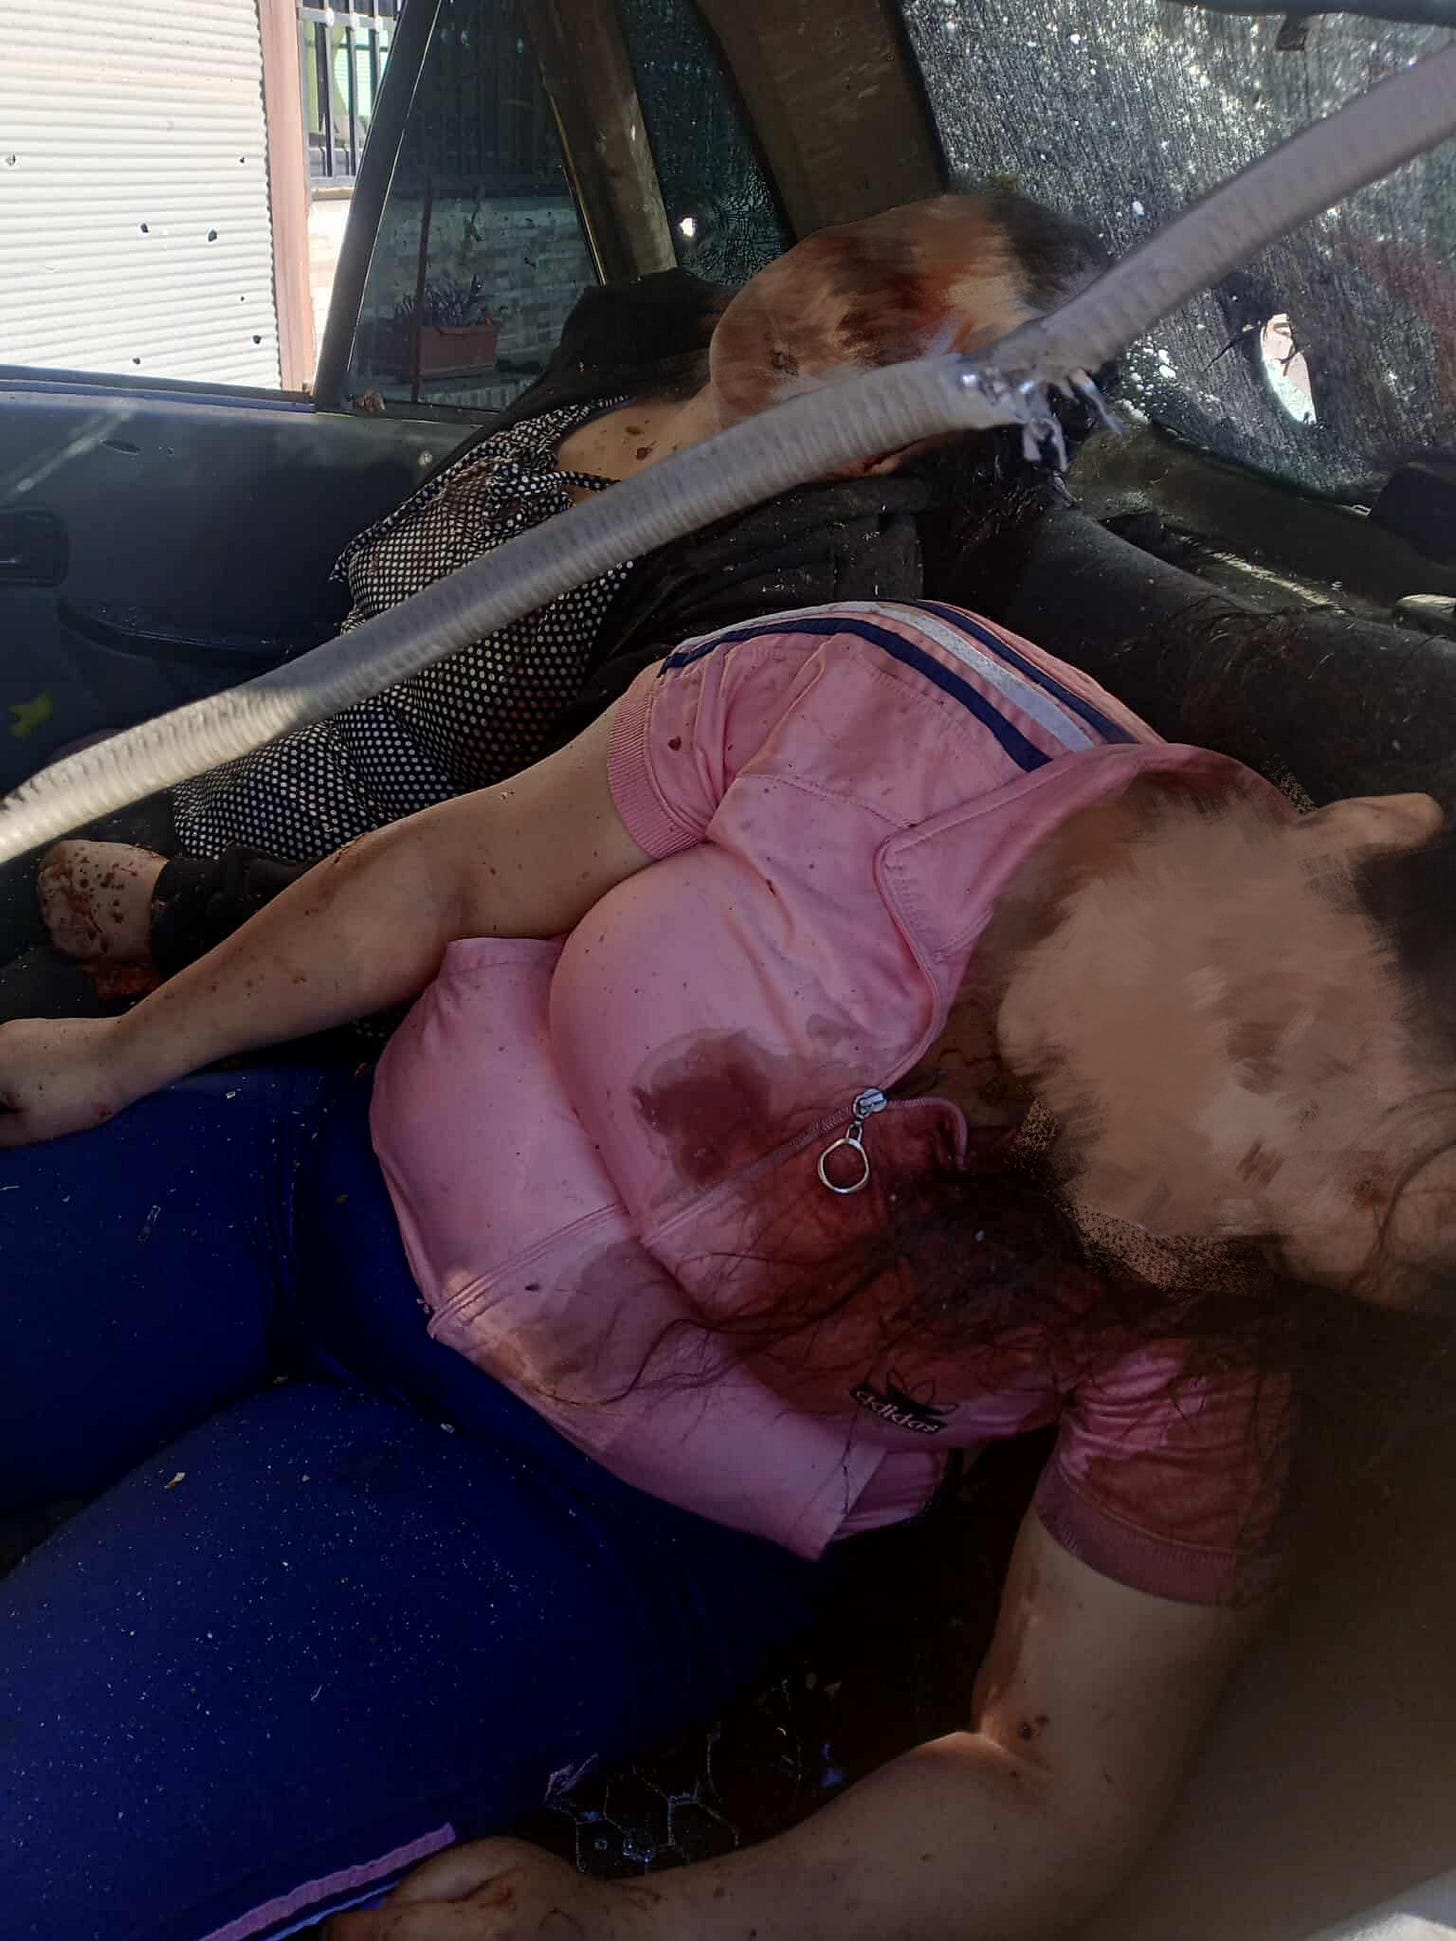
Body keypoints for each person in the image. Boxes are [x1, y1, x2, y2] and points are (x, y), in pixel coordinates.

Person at [3, 596, 1453, 1941]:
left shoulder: (1225, 1333)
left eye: (1324, 1233)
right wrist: (121, 1055)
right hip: (303, 1180)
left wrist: (636, 1924)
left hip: (571, 1514)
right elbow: (452, 869)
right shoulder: (878, 712)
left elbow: (1056, 1784)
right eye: (1293, 1061)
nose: (1228, 1182)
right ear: (1360, 843)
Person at [18, 188, 1107, 1009]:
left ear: (912, 443)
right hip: (196, 792)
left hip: (283, 953)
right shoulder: (636, 343)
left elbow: (517, 900)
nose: (827, 310)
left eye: (893, 340)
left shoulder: (787, 608)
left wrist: (178, 911)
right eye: (863, 257)